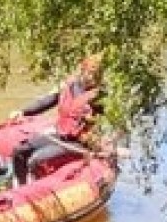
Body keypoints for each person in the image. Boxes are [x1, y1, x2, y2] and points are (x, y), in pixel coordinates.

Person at [8, 54, 108, 186]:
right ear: (82, 70)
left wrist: (104, 144)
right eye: (90, 73)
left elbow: (110, 121)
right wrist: (23, 111)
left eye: (96, 75)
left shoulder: (100, 96)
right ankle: (21, 188)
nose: (92, 78)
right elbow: (47, 101)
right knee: (19, 151)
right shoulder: (69, 85)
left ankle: (38, 192)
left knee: (36, 159)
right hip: (60, 135)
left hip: (79, 142)